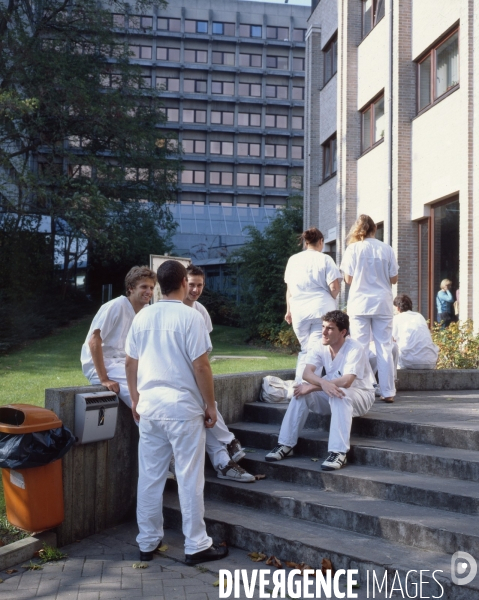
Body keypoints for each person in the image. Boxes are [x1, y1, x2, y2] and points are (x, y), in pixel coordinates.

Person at [125, 260, 228, 565]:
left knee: (150, 477)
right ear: (184, 282)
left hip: (151, 408)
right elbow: (201, 365)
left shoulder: (142, 317)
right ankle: (196, 545)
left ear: (158, 284)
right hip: (183, 410)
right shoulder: (190, 317)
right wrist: (210, 406)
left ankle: (147, 542)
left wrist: (134, 398)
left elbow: (130, 363)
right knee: (189, 478)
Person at [265, 310, 375, 471]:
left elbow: (347, 381)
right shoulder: (320, 345)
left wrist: (315, 386)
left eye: (330, 328)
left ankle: (338, 453)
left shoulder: (354, 348)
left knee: (340, 394)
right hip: (331, 391)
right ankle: (285, 444)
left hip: (360, 395)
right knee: (300, 391)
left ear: (343, 332)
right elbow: (306, 373)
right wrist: (320, 385)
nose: (323, 332)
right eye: (323, 326)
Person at [184, 264, 254, 483]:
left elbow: (204, 353)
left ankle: (223, 463)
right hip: (178, 379)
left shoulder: (201, 312)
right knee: (206, 409)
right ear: (182, 283)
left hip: (196, 372)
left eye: (200, 285)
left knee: (206, 414)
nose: (195, 290)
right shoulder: (169, 310)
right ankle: (229, 444)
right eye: (191, 284)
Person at [340, 214, 399, 403]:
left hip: (359, 303)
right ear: (375, 229)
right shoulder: (386, 248)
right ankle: (388, 391)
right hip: (382, 302)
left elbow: (348, 280)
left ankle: (361, 387)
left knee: (360, 347)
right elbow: (394, 279)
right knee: (384, 347)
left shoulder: (353, 249)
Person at [81, 266, 156, 408]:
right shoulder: (116, 305)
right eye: (144, 287)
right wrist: (104, 379)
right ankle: (148, 425)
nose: (149, 291)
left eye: (151, 288)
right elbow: (94, 341)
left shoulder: (146, 312)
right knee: (142, 396)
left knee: (157, 383)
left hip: (124, 364)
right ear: (131, 288)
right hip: (103, 364)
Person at [284, 228, 342, 382]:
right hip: (321, 310)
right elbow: (335, 288)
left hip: (299, 311)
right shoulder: (325, 259)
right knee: (317, 352)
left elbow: (289, 289)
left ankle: (300, 388)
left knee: (306, 351)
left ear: (306, 242)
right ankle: (304, 390)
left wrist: (288, 311)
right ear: (321, 241)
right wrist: (331, 298)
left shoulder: (293, 260)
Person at [393, 294, 438, 369]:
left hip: (408, 362)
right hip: (430, 362)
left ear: (397, 308)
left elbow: (391, 339)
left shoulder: (397, 318)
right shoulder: (419, 316)